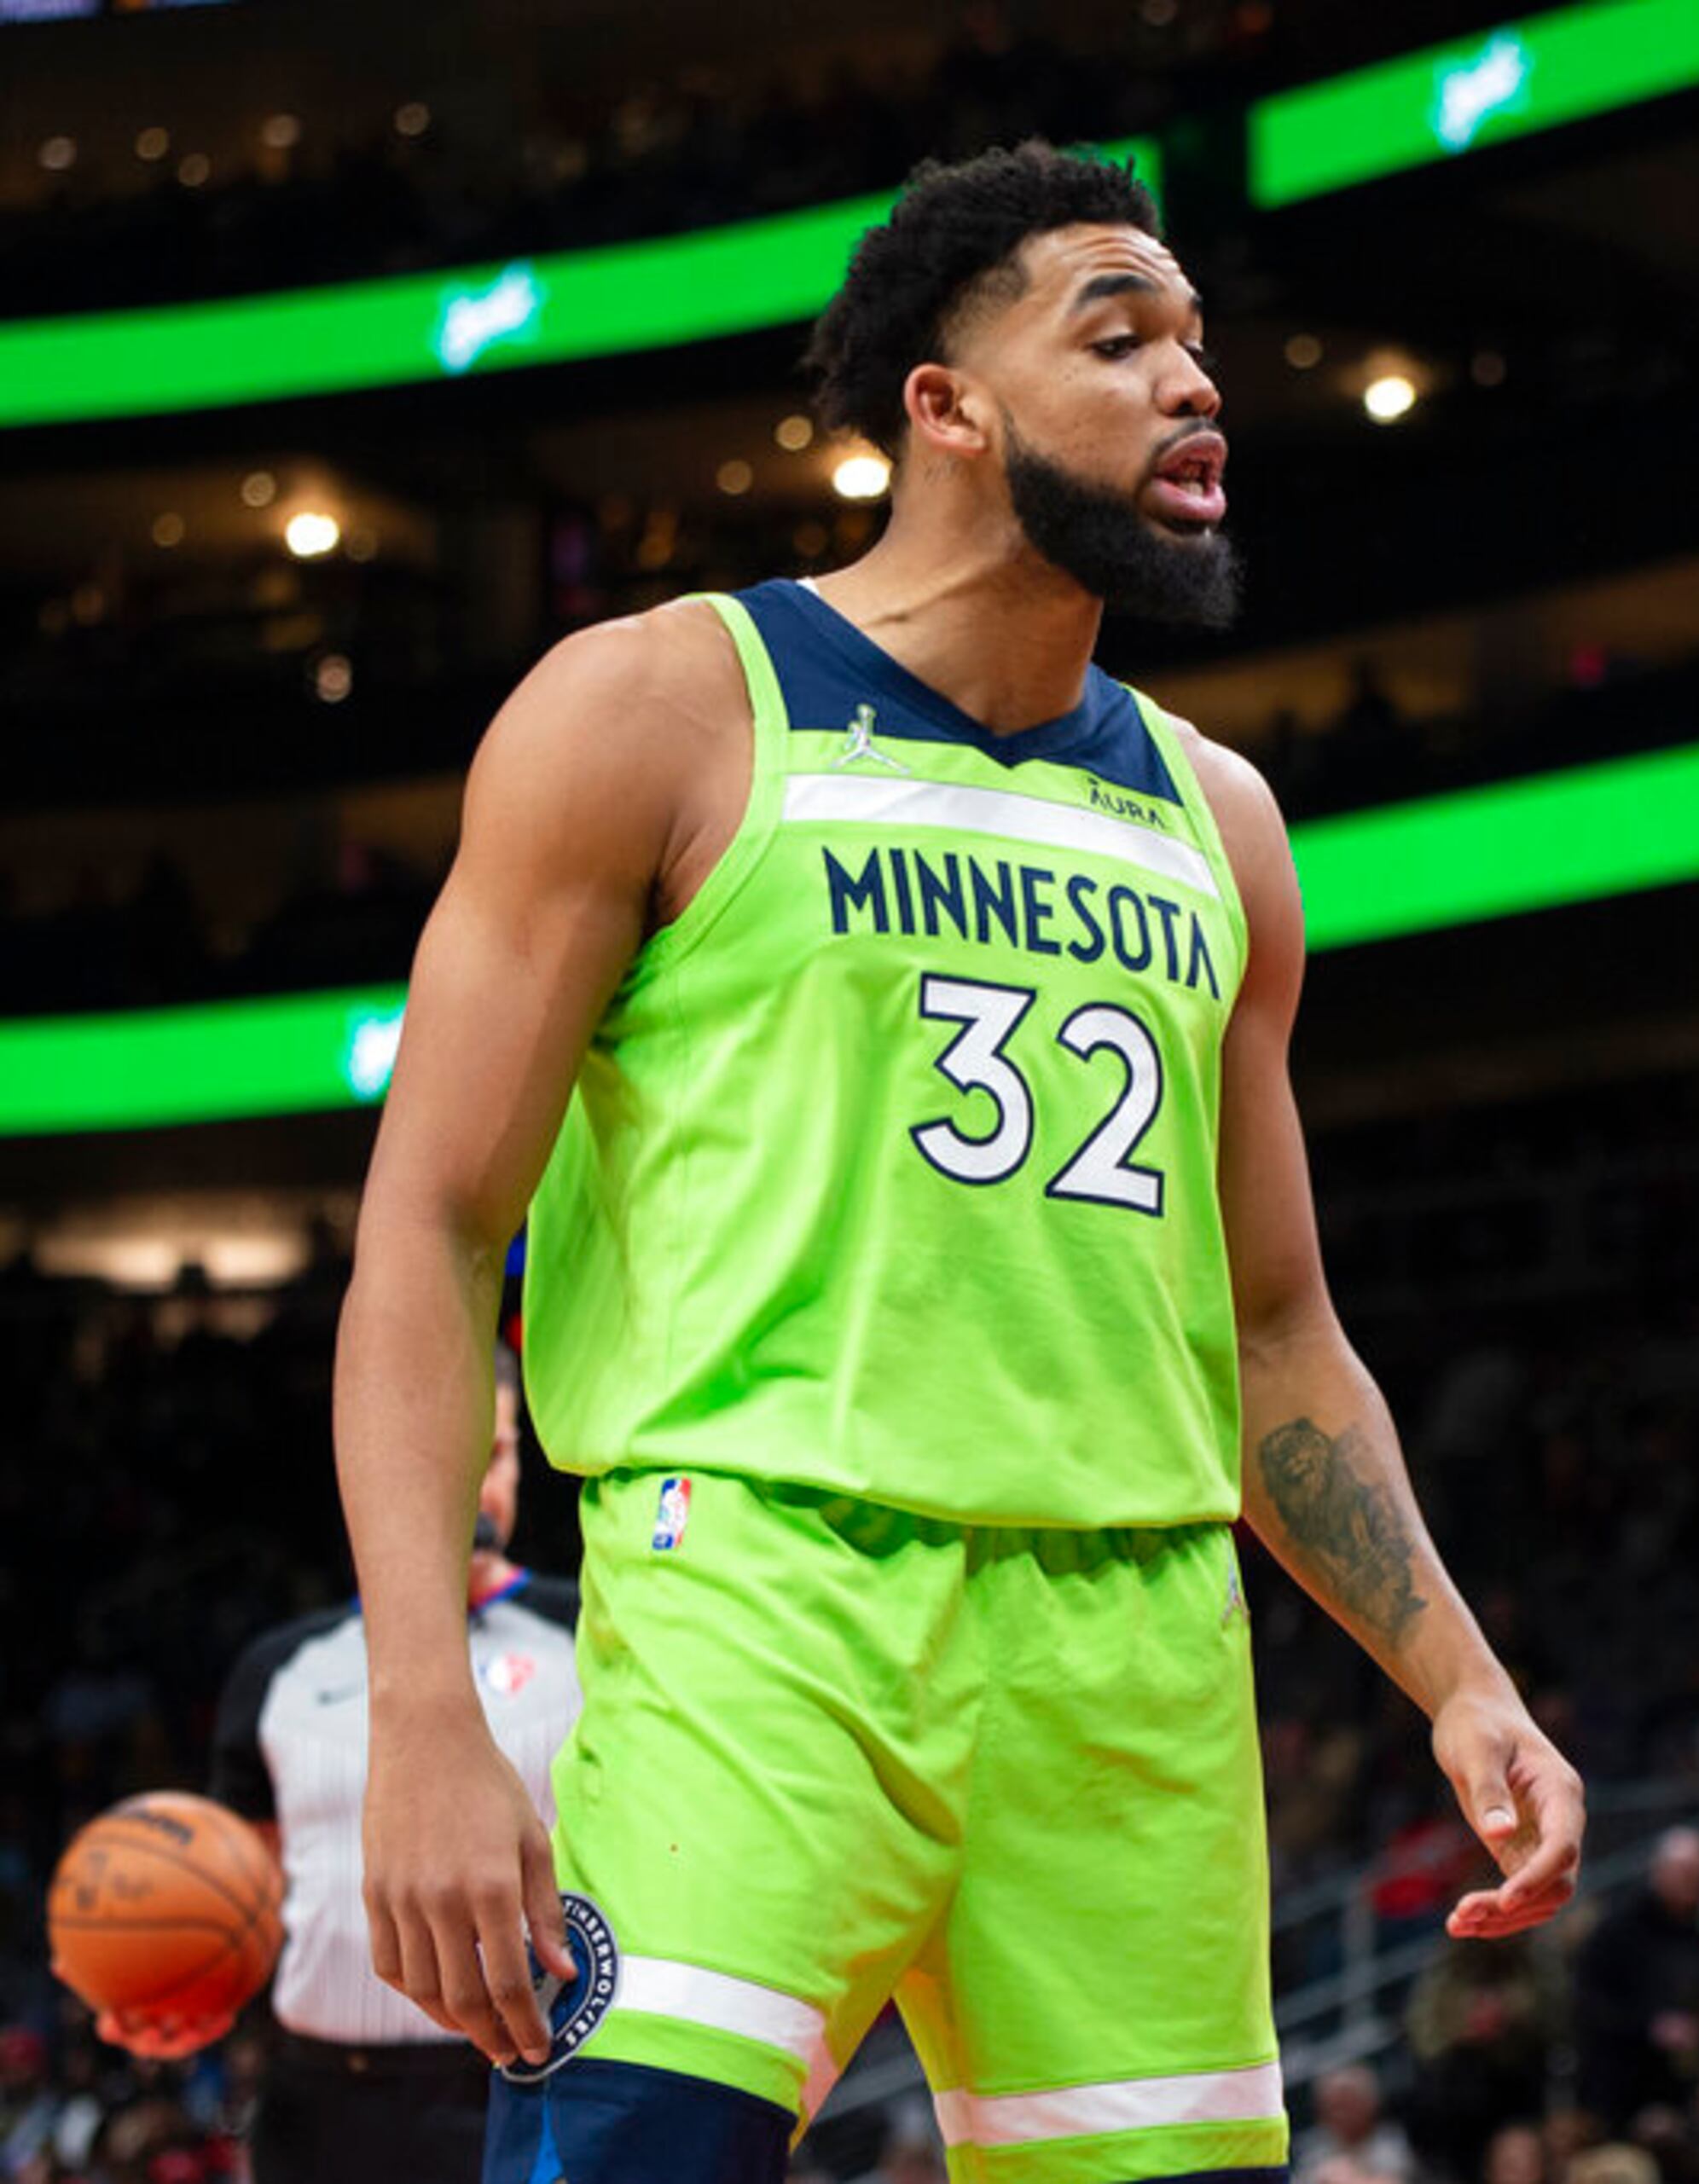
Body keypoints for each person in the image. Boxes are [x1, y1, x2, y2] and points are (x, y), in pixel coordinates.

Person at [332, 142, 1583, 2183]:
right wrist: (423, 1702)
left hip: (1136, 1654)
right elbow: (431, 1223)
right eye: (1121, 337)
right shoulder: (656, 708)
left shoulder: (1226, 821)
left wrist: (1457, 1678)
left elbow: (1269, 1321)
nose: (1196, 387)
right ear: (945, 404)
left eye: (1198, 345)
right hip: (762, 1594)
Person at [99, 1347, 571, 2182]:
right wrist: (175, 1993)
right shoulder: (277, 1670)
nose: (471, 1478)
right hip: (317, 2103)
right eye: (444, 1448)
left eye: (494, 1451)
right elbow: (239, 1901)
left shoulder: (595, 1633)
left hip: (537, 2077)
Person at [1573, 1830, 1699, 2130]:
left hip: (1690, 2078)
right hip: (1623, 2080)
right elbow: (1589, 2003)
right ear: (1659, 1872)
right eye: (1685, 1872)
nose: (1693, 1882)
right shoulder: (1616, 1929)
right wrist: (1651, 2026)